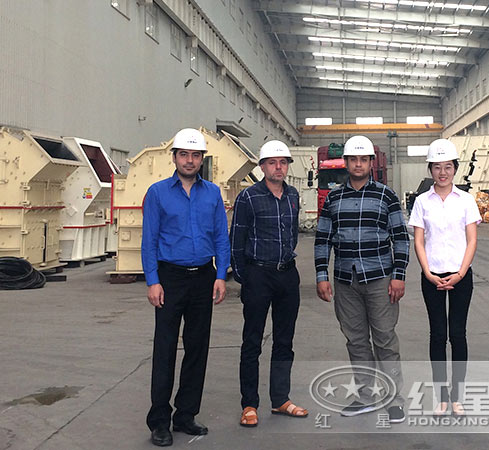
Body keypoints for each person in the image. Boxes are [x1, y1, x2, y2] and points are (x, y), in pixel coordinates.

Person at [141, 128, 230, 447]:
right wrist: (153, 280)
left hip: (203, 277)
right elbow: (149, 239)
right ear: (175, 157)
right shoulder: (157, 193)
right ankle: (159, 421)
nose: (189, 160)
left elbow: (221, 236)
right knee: (165, 349)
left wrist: (221, 275)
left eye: (195, 155)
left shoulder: (212, 194)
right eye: (184, 155)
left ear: (202, 159)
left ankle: (186, 414)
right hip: (170, 278)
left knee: (197, 347)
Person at [314, 135, 410, 423]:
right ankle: (365, 396)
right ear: (346, 163)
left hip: (380, 279)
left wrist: (399, 276)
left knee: (385, 340)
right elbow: (323, 239)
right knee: (356, 341)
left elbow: (400, 238)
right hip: (346, 280)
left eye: (363, 159)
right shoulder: (334, 198)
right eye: (353, 159)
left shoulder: (386, 196)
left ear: (371, 163)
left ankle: (394, 399)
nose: (358, 164)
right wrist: (321, 275)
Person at [230, 140, 308, 428]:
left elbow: (292, 234)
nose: (278, 167)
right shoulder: (248, 197)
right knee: (252, 341)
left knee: (284, 341)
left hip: (287, 274)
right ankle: (249, 404)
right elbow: (236, 241)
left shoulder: (293, 195)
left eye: (283, 162)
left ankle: (280, 399)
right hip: (258, 275)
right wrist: (246, 277)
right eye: (273, 162)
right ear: (262, 167)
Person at [408, 138, 481, 417]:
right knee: (438, 335)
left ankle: (457, 397)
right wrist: (427, 272)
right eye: (437, 167)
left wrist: (461, 273)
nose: (442, 172)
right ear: (430, 169)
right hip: (432, 276)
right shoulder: (422, 202)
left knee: (458, 335)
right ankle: (441, 397)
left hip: (461, 276)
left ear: (455, 169)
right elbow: (419, 240)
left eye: (448, 167)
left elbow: (472, 240)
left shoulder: (466, 200)